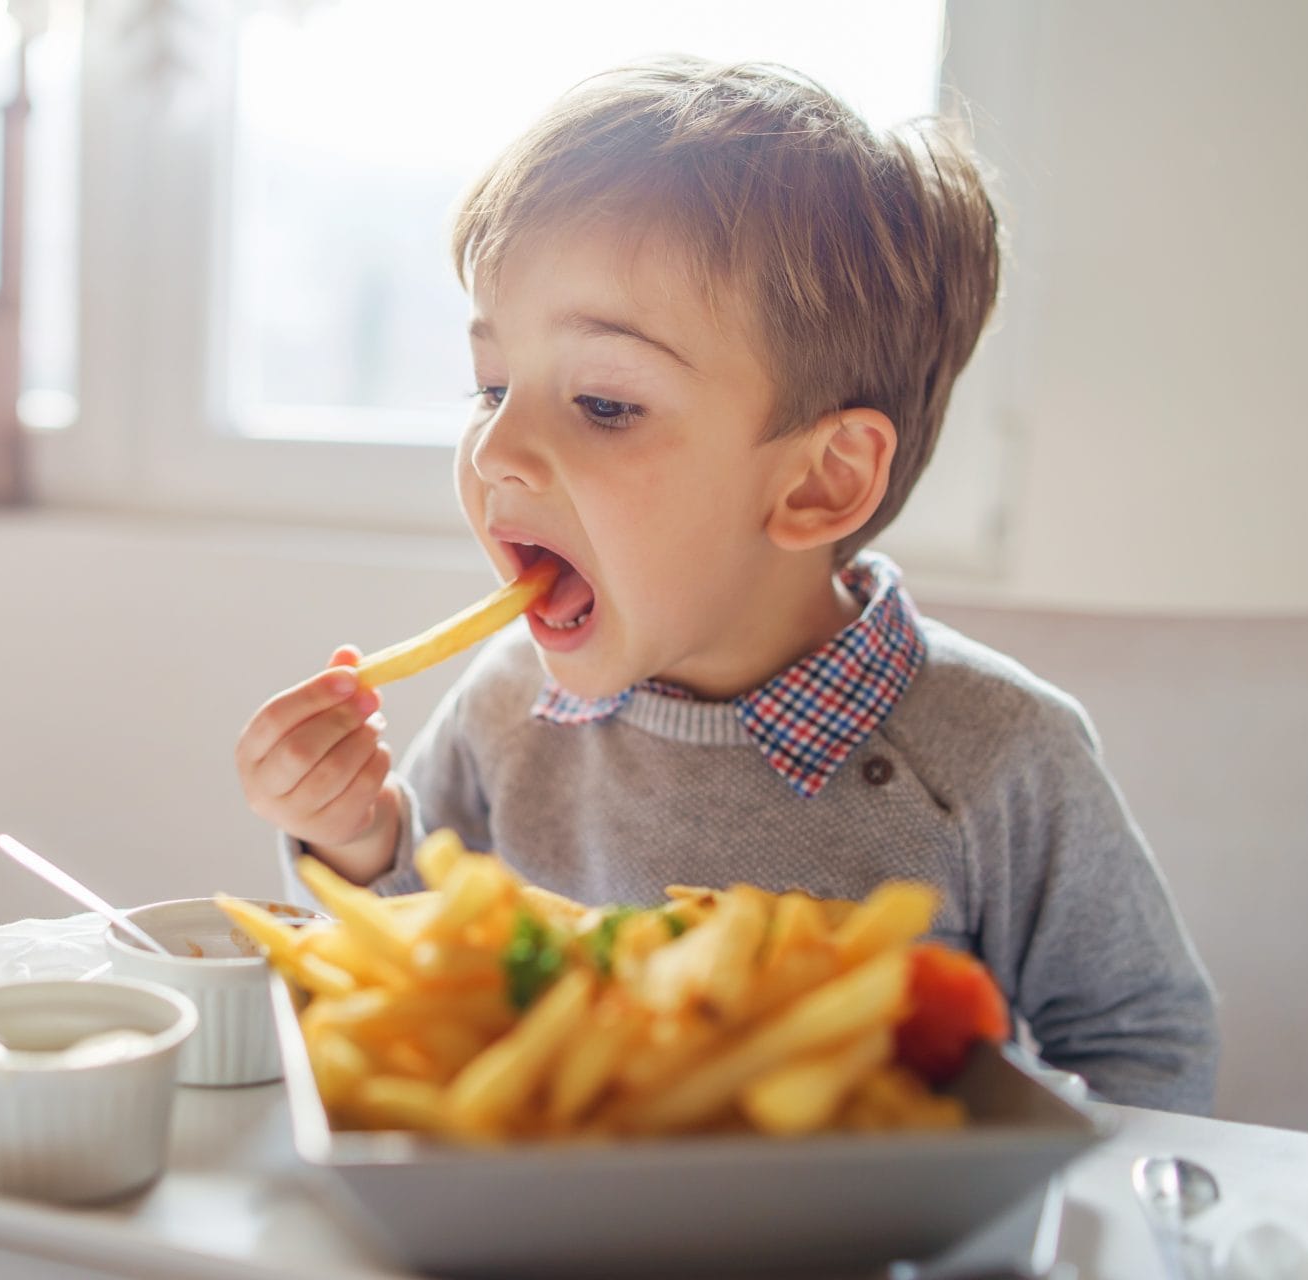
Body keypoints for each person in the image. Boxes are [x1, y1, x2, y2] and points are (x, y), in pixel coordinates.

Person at [233, 57, 1217, 1113]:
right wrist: (356, 835)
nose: (497, 450)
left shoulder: (999, 754)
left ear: (819, 480)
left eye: (605, 404)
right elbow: (419, 962)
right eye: (491, 385)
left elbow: (1144, 1042)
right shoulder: (506, 705)